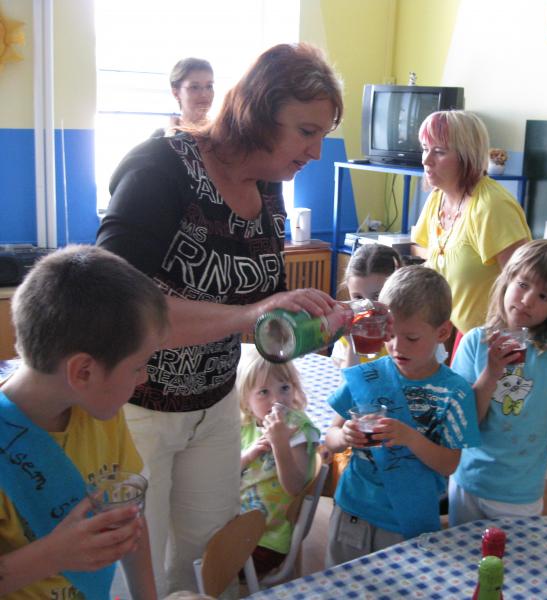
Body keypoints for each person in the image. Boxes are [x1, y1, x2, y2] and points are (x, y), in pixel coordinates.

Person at [95, 42, 343, 595]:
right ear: (258, 111)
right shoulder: (161, 167)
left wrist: (301, 319)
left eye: (323, 134)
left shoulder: (269, 186)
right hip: (139, 408)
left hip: (215, 403)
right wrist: (251, 313)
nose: (316, 151)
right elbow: (116, 305)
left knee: (209, 554)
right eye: (307, 131)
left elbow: (258, 307)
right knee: (138, 564)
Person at [0, 245, 165, 600]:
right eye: (138, 367)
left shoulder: (101, 414)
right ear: (84, 372)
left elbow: (129, 521)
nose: (144, 378)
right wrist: (53, 555)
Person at [324, 266, 480, 566]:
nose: (396, 347)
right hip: (352, 511)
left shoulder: (455, 392)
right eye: (390, 334)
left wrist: (409, 437)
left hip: (409, 521)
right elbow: (330, 438)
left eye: (411, 338)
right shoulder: (367, 375)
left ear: (442, 332)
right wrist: (343, 436)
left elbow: (450, 464)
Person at [449, 240, 547, 526]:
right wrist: (491, 373)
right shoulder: (474, 342)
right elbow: (464, 422)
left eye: (544, 296)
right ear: (506, 280)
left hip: (519, 492)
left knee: (510, 555)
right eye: (522, 285)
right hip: (468, 481)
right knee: (461, 553)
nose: (528, 300)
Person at [410, 110, 531, 348]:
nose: (426, 160)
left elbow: (523, 287)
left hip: (491, 342)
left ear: (468, 156)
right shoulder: (438, 197)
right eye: (425, 149)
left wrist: (509, 353)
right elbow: (432, 262)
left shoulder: (492, 206)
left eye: (439, 151)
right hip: (452, 333)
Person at [237, 345, 319, 576]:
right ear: (246, 401)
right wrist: (249, 455)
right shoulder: (246, 426)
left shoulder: (297, 430)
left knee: (213, 569)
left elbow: (295, 487)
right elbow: (227, 472)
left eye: (284, 388)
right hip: (236, 523)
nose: (277, 400)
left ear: (294, 387)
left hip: (268, 539)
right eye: (264, 392)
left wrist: (280, 443)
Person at [330, 243, 403, 369]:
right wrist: (352, 345)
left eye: (377, 296)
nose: (368, 308)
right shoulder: (348, 334)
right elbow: (348, 380)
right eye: (358, 298)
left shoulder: (410, 333)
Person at [168, 57, 215, 129]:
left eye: (209, 86)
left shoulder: (225, 133)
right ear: (176, 93)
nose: (204, 94)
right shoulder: (164, 134)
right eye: (194, 87)